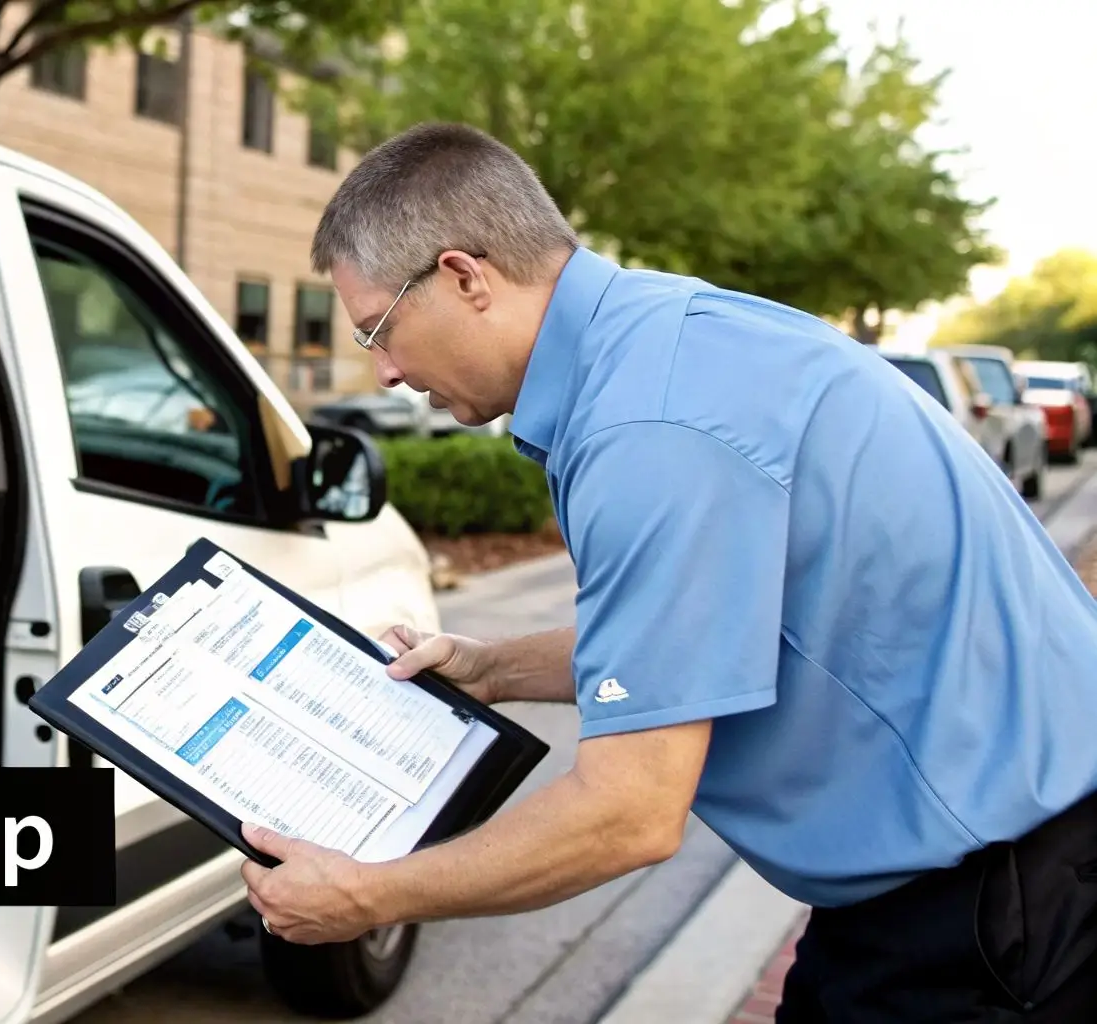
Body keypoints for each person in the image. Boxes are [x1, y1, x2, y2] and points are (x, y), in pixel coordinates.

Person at [237, 122, 1097, 1022]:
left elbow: (628, 814)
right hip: (990, 877)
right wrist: (492, 670)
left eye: (379, 329)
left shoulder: (647, 428)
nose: (383, 373)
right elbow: (702, 641)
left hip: (994, 916)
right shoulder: (661, 343)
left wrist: (371, 894)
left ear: (464, 277)